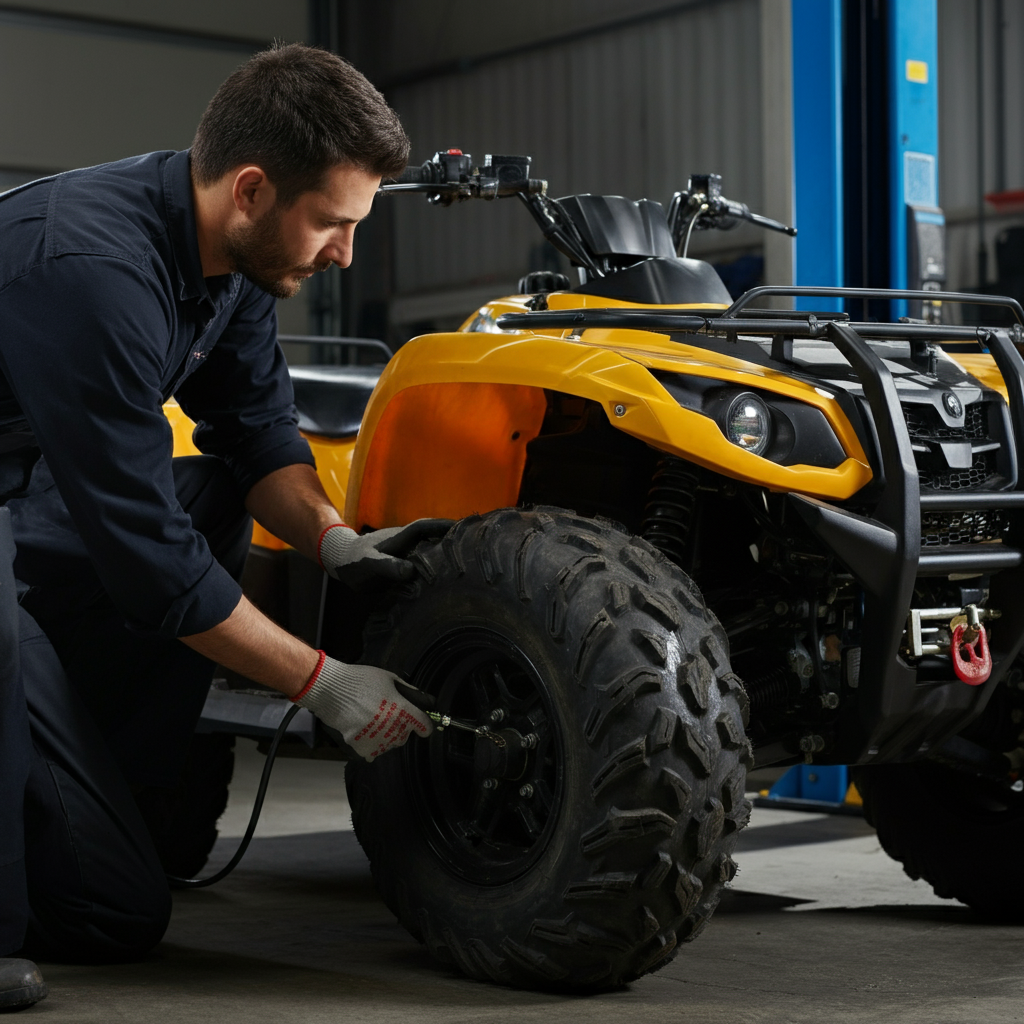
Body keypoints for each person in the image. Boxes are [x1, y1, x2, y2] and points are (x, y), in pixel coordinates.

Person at [0, 43, 437, 1009]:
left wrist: (332, 539)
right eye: (333, 222)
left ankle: (124, 804)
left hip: (22, 482)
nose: (344, 254)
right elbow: (149, 563)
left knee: (205, 493)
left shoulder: (231, 260)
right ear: (251, 189)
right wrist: (326, 685)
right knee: (113, 920)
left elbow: (257, 433)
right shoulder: (90, 270)